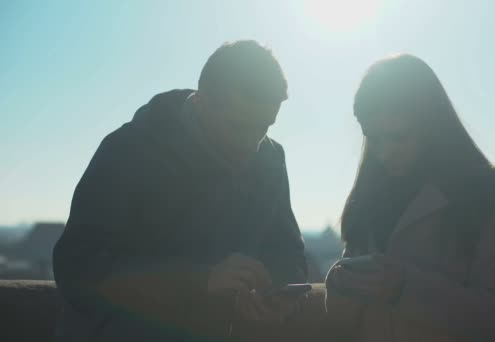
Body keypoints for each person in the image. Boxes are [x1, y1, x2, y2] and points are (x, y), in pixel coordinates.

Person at [53, 40, 307, 341]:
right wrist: (201, 280)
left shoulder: (270, 158)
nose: (252, 143)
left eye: (264, 126)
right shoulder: (128, 150)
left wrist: (271, 290)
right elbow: (78, 267)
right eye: (238, 127)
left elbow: (287, 253)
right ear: (200, 102)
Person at [324, 54, 495, 341]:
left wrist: (405, 289)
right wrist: (341, 285)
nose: (384, 153)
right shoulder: (368, 194)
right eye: (374, 137)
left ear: (433, 127)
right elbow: (343, 322)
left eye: (398, 137)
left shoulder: (492, 194)